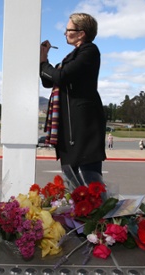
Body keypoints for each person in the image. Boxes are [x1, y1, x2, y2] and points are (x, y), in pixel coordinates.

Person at [40, 13, 106, 187]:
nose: (65, 33)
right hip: (70, 128)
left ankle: (94, 212)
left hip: (83, 129)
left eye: (68, 30)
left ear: (81, 33)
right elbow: (49, 80)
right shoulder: (72, 56)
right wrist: (44, 60)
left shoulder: (89, 50)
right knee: (73, 183)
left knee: (89, 186)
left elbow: (60, 77)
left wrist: (43, 63)